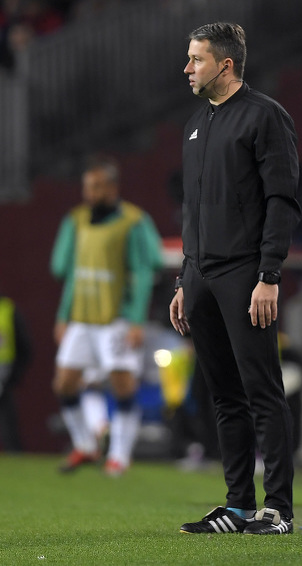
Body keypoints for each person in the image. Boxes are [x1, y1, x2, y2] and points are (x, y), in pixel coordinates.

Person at [170, 22, 301, 536]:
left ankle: (279, 510)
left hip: (246, 274)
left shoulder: (266, 117)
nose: (187, 68)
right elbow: (193, 210)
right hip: (201, 276)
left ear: (225, 65)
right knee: (223, 394)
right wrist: (185, 277)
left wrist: (268, 274)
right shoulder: (196, 122)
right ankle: (238, 505)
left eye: (196, 59)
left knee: (262, 390)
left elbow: (282, 201)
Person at [50, 154, 163, 476]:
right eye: (88, 187)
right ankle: (85, 445)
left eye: (97, 187)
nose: (91, 194)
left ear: (113, 187)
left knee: (122, 385)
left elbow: (144, 271)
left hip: (117, 319)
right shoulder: (77, 220)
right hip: (82, 318)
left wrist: (137, 320)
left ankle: (119, 457)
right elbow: (68, 271)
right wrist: (63, 316)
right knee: (64, 384)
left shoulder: (133, 221)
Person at [0, 291, 32, 452]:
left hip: (3, 377)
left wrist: (13, 376)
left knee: (8, 424)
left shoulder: (8, 310)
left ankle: (14, 455)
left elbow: (24, 346)